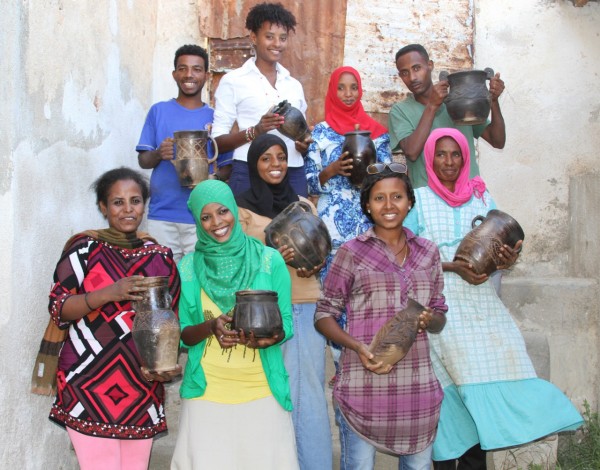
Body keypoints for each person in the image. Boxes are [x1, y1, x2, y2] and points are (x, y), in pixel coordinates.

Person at [403, 128, 583, 469]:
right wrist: (453, 267)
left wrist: (508, 258)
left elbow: (505, 245)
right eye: (440, 154)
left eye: (456, 154)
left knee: (491, 381)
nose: (449, 162)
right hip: (440, 309)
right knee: (450, 397)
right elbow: (405, 256)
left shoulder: (482, 199)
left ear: (466, 159)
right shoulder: (419, 200)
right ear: (429, 159)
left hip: (482, 306)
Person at [315, 163, 448, 470]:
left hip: (416, 389)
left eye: (397, 197)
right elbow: (324, 315)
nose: (389, 205)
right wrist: (357, 346)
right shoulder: (351, 253)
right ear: (367, 206)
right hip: (364, 385)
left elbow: (440, 313)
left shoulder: (428, 252)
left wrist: (430, 318)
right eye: (379, 198)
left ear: (409, 202)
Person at [48, 167, 181, 470]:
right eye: (117, 202)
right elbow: (59, 308)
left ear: (144, 205)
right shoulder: (84, 249)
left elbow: (169, 320)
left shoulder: (160, 256)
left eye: (135, 200)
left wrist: (163, 367)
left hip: (140, 383)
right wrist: (109, 293)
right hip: (86, 381)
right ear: (103, 208)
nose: (128, 209)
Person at [171, 179, 298, 470]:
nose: (217, 222)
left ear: (234, 212)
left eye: (223, 211)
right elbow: (181, 336)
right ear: (197, 222)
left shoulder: (269, 260)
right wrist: (211, 327)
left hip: (263, 391)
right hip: (207, 395)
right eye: (206, 217)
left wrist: (269, 338)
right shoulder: (188, 268)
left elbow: (287, 323)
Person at [236, 134, 332, 470]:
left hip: (304, 305)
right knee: (270, 394)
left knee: (308, 393)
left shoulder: (304, 205)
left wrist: (317, 261)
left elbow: (320, 254)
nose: (275, 165)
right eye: (266, 158)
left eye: (281, 157)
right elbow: (239, 265)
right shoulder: (240, 209)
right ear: (254, 164)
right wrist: (273, 255)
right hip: (262, 311)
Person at [137, 44, 228, 263]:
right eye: (183, 68)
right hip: (162, 215)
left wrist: (210, 178)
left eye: (196, 69)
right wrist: (159, 153)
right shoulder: (158, 111)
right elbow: (143, 160)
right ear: (174, 74)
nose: (189, 74)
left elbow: (228, 167)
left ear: (206, 75)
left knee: (197, 280)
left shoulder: (217, 118)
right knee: (164, 278)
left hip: (201, 216)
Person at [212, 2, 310, 197]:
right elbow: (217, 143)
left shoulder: (293, 85)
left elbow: (304, 138)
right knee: (250, 227)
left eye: (282, 38)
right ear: (254, 38)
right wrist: (256, 131)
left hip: (292, 171)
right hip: (249, 171)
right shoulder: (233, 81)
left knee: (297, 227)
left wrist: (304, 145)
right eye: (269, 37)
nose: (277, 44)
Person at [389, 44, 506, 189]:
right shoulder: (400, 111)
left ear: (430, 65)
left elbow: (498, 141)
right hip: (429, 200)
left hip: (469, 195)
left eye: (417, 68)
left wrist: (493, 100)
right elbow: (412, 152)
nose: (412, 77)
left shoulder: (459, 102)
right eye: (405, 73)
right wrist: (432, 106)